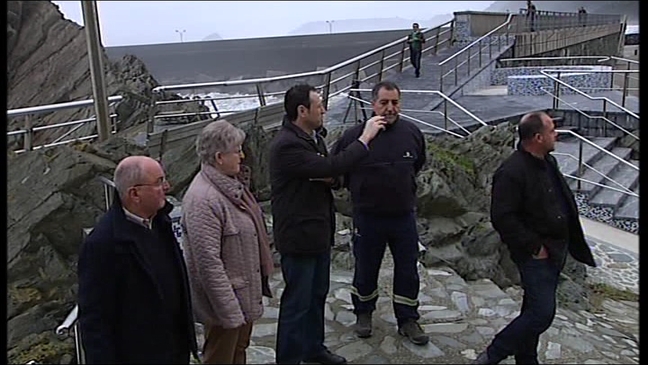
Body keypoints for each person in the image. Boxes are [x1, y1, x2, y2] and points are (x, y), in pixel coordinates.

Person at [269, 83, 387, 364]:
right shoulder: (287, 145)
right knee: (297, 302)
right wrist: (365, 139)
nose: (323, 109)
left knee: (317, 295)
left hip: (319, 231)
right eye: (318, 105)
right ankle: (288, 358)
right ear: (302, 110)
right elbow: (332, 166)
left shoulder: (312, 138)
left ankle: (313, 349)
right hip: (298, 236)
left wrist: (330, 174)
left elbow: (331, 173)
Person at [473, 112, 596, 364]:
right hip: (535, 254)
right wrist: (535, 246)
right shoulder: (511, 171)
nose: (556, 134)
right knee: (541, 314)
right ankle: (492, 355)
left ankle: (527, 359)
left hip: (556, 250)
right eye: (552, 130)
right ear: (538, 137)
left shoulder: (547, 161)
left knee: (532, 310)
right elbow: (503, 217)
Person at [331, 81, 428, 346]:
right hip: (367, 216)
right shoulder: (354, 136)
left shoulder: (412, 133)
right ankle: (364, 314)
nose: (390, 108)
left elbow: (418, 164)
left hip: (403, 216)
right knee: (365, 268)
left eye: (395, 102)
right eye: (384, 102)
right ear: (373, 104)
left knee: (408, 270)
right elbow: (338, 167)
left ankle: (408, 319)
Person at [78, 156, 198, 364]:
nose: (166, 186)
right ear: (135, 193)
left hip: (175, 349)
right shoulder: (104, 243)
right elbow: (95, 319)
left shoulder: (161, 222)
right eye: (158, 182)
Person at [181, 120, 275, 364]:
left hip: (240, 298)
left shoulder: (231, 187)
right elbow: (208, 264)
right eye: (237, 151)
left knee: (237, 353)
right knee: (220, 358)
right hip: (225, 306)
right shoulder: (204, 200)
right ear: (220, 157)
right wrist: (230, 313)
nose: (242, 156)